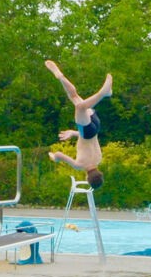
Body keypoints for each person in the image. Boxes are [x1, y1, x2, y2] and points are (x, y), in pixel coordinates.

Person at [45, 60, 112, 189]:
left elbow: (88, 140)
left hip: (95, 126)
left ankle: (60, 76)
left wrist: (72, 133)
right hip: (87, 132)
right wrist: (55, 158)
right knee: (80, 107)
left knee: (74, 97)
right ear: (87, 179)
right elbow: (59, 154)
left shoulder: (99, 159)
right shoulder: (79, 165)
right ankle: (103, 93)